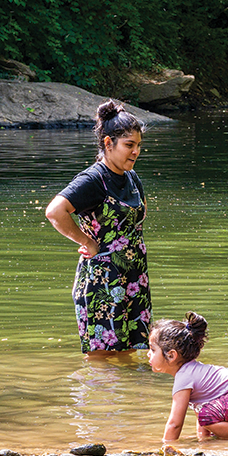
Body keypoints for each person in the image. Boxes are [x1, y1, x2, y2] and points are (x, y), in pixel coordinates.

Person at [45, 100, 152, 353]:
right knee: (102, 359)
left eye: (138, 145)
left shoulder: (131, 177)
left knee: (133, 353)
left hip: (134, 279)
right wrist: (87, 241)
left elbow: (139, 216)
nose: (135, 152)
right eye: (129, 145)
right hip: (102, 283)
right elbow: (54, 211)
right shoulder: (93, 179)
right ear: (108, 143)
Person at [151, 312, 228, 444]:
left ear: (171, 355)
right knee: (209, 418)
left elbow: (175, 424)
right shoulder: (193, 371)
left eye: (153, 350)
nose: (148, 354)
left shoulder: (184, 377)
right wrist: (203, 441)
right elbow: (202, 418)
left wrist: (166, 446)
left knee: (207, 415)